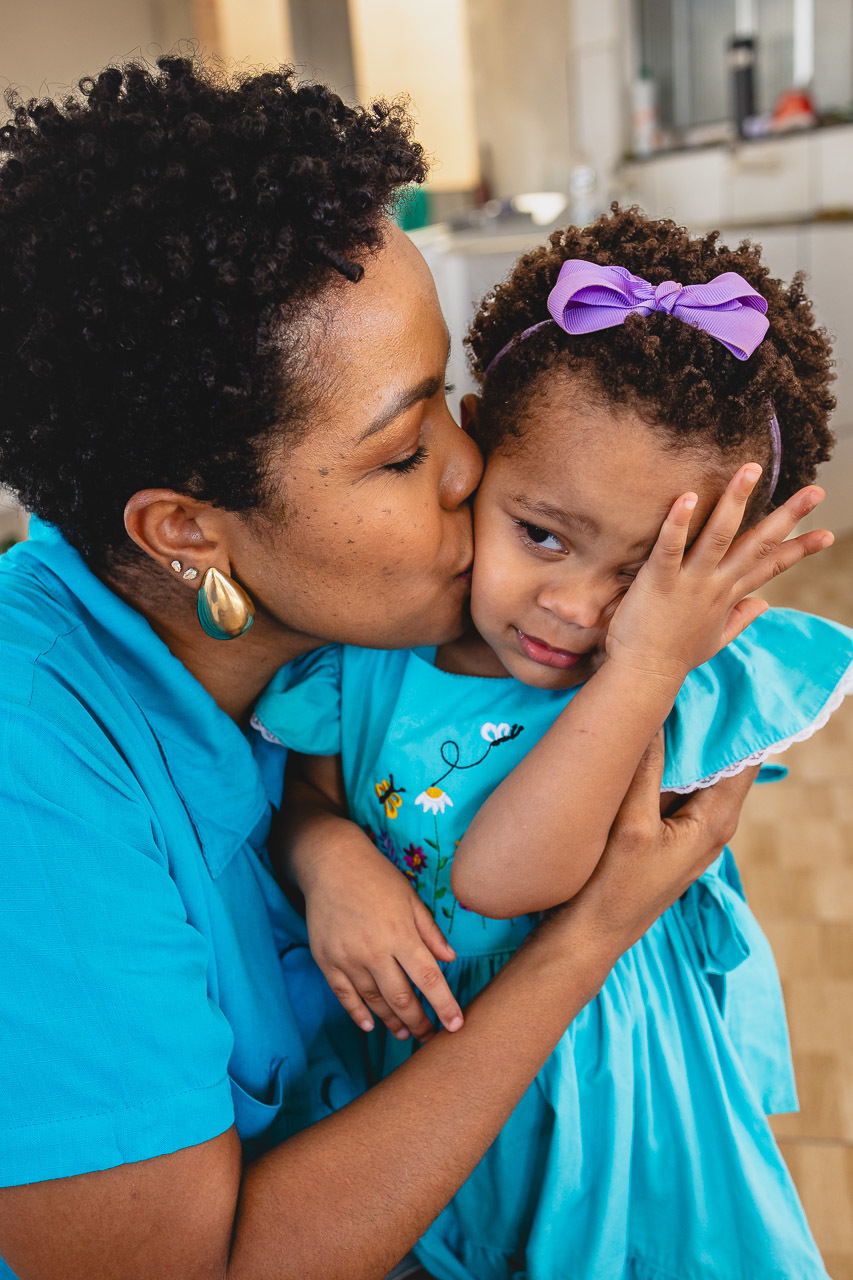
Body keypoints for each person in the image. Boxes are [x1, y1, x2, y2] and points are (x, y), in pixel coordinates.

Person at [0, 58, 808, 1280]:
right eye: (396, 450)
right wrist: (588, 936)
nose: (467, 469)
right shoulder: (35, 788)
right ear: (187, 529)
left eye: (452, 401)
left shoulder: (340, 608)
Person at [257, 208, 847, 1279]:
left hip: (601, 1097)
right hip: (421, 1073)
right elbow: (308, 790)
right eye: (541, 534)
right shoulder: (381, 645)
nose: (575, 610)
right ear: (474, 449)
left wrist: (648, 663)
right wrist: (329, 857)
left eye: (642, 576)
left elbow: (500, 875)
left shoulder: (664, 686)